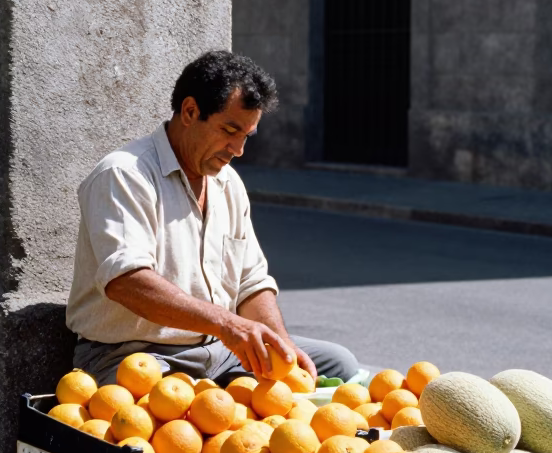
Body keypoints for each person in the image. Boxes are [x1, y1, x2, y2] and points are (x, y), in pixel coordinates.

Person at [65, 50, 357, 388]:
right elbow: (128, 283)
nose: (238, 149)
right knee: (194, 428)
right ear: (190, 111)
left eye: (246, 135)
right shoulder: (124, 175)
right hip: (134, 357)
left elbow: (251, 282)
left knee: (337, 365)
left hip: (220, 350)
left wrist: (280, 343)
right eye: (229, 130)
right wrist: (225, 324)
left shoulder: (228, 183)